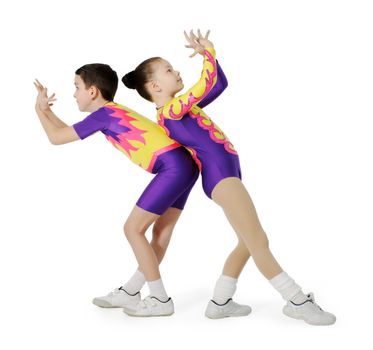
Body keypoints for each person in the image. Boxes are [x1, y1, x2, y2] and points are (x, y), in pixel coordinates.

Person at [122, 30, 336, 325]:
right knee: (259, 240)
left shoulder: (181, 108)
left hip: (228, 175)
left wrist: (212, 58)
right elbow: (205, 82)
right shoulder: (171, 110)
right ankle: (296, 300)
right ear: (155, 85)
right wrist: (209, 52)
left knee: (248, 242)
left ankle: (220, 301)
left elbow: (218, 83)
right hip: (221, 178)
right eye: (170, 70)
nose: (177, 71)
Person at [33, 62, 199, 317]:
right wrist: (46, 113)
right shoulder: (108, 113)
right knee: (161, 231)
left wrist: (39, 111)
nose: (74, 93)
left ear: (93, 92)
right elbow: (66, 131)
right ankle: (131, 291)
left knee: (133, 229)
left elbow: (56, 138)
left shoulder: (103, 115)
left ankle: (160, 299)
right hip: (184, 165)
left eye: (76, 87)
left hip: (173, 167)